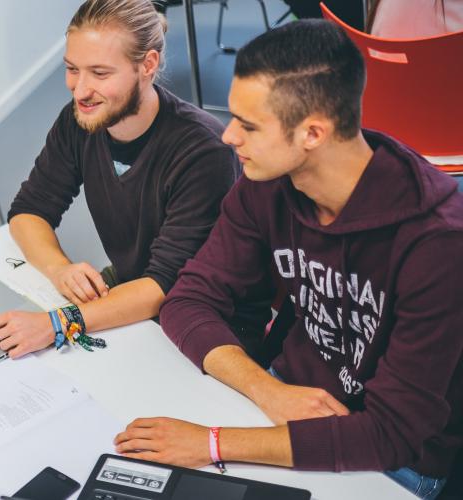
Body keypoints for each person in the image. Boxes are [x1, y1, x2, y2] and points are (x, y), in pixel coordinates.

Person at [114, 20, 463, 499]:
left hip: (393, 465)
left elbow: (394, 434)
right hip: (281, 400)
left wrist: (212, 443)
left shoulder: (436, 243)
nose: (228, 137)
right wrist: (267, 390)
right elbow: (187, 300)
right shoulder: (267, 184)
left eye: (249, 125)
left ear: (312, 133)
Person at [0, 0, 241, 358]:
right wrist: (60, 270)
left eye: (100, 74)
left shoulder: (203, 152)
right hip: (133, 287)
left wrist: (57, 323)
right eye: (72, 69)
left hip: (204, 318)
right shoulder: (80, 121)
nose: (80, 89)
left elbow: (164, 285)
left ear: (147, 65)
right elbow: (28, 211)